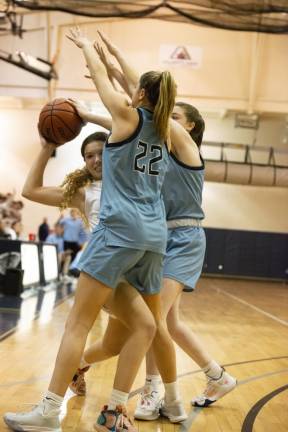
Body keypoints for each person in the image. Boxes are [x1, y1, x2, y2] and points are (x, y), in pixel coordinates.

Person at [4, 27, 186, 432]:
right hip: (155, 238)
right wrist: (116, 57)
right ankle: (116, 412)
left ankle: (50, 410)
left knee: (78, 323)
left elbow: (107, 84)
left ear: (138, 95)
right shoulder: (166, 132)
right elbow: (135, 84)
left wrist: (90, 51)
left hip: (120, 232)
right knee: (146, 325)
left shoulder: (124, 117)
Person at [67, 35, 236, 417]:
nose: (169, 117)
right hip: (159, 236)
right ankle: (213, 375)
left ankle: (155, 392)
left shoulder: (183, 145)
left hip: (183, 236)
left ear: (190, 125)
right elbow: (136, 110)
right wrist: (109, 81)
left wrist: (112, 69)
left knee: (154, 322)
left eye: (177, 116)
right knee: (159, 323)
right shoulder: (158, 139)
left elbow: (151, 102)